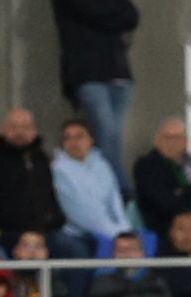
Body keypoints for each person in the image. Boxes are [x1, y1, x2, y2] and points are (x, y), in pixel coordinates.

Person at [53, 0, 139, 195]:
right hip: (87, 73)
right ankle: (118, 189)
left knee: (112, 136)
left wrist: (107, 15)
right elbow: (89, 10)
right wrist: (113, 15)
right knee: (106, 132)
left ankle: (109, 188)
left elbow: (131, 16)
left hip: (118, 73)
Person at [0, 109, 72, 252]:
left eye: (25, 127)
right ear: (3, 130)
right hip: (1, 233)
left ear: (34, 131)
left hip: (42, 233)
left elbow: (50, 203)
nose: (20, 132)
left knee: (73, 249)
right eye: (14, 127)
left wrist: (41, 230)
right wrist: (22, 234)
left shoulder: (41, 161)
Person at [53, 119, 128, 248]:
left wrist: (124, 228)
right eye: (68, 138)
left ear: (90, 140)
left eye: (79, 137)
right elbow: (81, 213)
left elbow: (114, 200)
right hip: (80, 233)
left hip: (112, 230)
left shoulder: (101, 164)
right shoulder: (59, 170)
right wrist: (115, 234)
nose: (74, 142)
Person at [84, 231, 178, 297]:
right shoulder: (102, 283)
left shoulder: (157, 282)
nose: (127, 255)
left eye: (132, 249)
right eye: (121, 250)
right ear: (113, 254)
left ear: (142, 253)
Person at [133, 118, 191, 236]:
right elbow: (168, 205)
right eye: (167, 138)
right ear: (156, 140)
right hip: (166, 229)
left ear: (186, 141)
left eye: (178, 137)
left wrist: (182, 192)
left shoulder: (188, 162)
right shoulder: (147, 165)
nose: (173, 142)